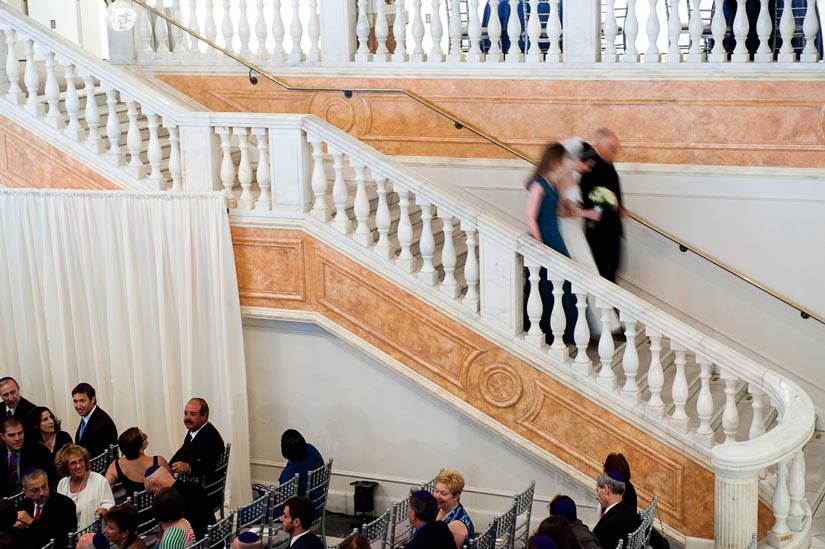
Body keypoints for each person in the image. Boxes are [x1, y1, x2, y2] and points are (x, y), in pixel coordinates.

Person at [559, 137, 621, 338]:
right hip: (568, 231)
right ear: (577, 159)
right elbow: (561, 211)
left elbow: (574, 206)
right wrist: (586, 214)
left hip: (577, 231)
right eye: (586, 163)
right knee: (584, 273)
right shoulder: (562, 179)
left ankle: (598, 324)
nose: (587, 168)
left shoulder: (573, 178)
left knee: (590, 272)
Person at [524, 142, 579, 344]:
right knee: (548, 283)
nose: (566, 164)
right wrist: (539, 246)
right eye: (564, 160)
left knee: (564, 281)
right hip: (545, 237)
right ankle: (549, 329)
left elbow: (553, 211)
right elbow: (530, 217)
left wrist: (567, 207)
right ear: (555, 162)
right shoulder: (538, 184)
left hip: (554, 234)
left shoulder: (552, 183)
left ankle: (566, 331)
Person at [579, 128, 625, 284]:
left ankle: (611, 308)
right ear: (600, 146)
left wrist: (620, 208)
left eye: (616, 148)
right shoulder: (590, 167)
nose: (615, 152)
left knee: (611, 274)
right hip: (598, 234)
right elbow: (587, 197)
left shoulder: (610, 165)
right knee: (602, 275)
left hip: (613, 231)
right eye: (612, 148)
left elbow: (614, 192)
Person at [144, 464, 215, 540]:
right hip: (213, 538)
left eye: (153, 493)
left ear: (157, 484)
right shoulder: (195, 486)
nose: (155, 496)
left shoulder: (168, 503)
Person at [55, 444, 115, 528]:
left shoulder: (99, 481)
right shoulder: (62, 484)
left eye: (81, 461)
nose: (79, 466)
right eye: (73, 463)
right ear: (65, 467)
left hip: (92, 535)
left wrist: (104, 510)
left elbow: (110, 507)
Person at [14, 468, 77, 549]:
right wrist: (17, 525)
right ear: (25, 492)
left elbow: (56, 541)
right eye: (35, 490)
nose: (42, 493)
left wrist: (31, 522)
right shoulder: (23, 506)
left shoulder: (65, 505)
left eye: (44, 487)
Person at [105, 427, 172, 496]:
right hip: (157, 504)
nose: (146, 436)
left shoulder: (116, 465)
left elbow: (105, 489)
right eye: (144, 437)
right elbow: (172, 485)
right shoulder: (158, 461)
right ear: (140, 449)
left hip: (131, 505)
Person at [0, 418, 54, 498]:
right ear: (2, 436)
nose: (17, 438)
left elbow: (48, 483)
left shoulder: (39, 452)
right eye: (12, 435)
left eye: (20, 433)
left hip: (33, 501)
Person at [592, 472, 640, 549]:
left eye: (597, 491)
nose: (596, 497)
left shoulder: (606, 527)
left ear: (606, 490)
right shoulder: (630, 510)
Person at [72, 383, 118, 459]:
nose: (78, 406)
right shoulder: (87, 417)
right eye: (75, 401)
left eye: (82, 401)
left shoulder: (104, 424)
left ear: (92, 399)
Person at [433, 470, 474, 549]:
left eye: (443, 493)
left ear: (456, 496)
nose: (437, 496)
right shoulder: (439, 508)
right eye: (436, 491)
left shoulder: (457, 526)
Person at [279, 429, 324, 497]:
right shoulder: (311, 449)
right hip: (318, 497)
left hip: (302, 505)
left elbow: (285, 499)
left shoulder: (289, 473)